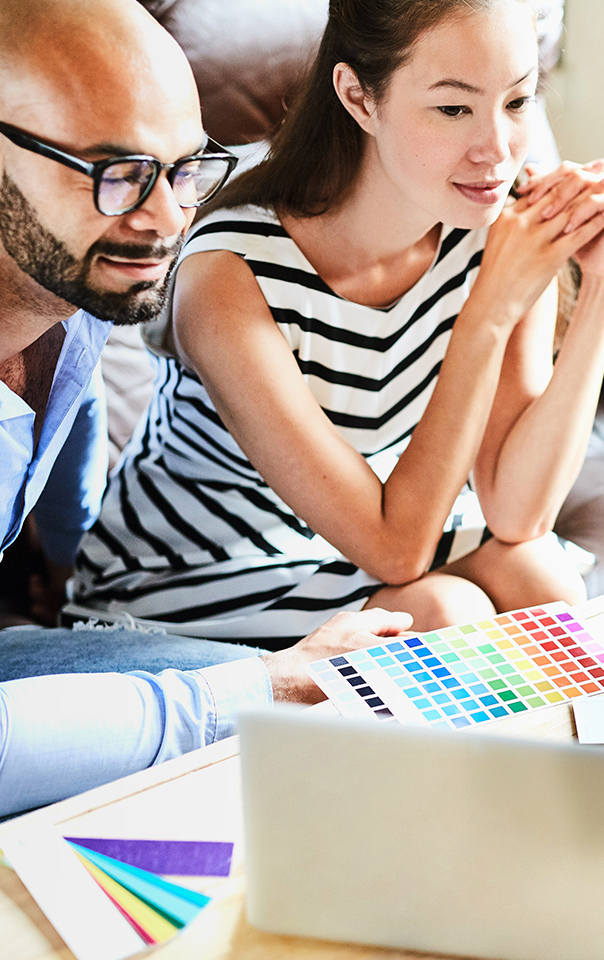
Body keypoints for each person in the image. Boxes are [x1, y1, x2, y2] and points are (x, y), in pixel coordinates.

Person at [71, 0, 604, 647]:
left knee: (546, 581)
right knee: (445, 617)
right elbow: (397, 554)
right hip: (192, 569)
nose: (499, 150)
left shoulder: (493, 227)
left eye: (516, 102)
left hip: (355, 536)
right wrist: (488, 314)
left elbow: (519, 511)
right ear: (359, 97)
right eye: (454, 109)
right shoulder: (230, 273)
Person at [0, 0, 421, 818]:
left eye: (185, 169)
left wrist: (63, 544)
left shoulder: (77, 285)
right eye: (115, 172)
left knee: (348, 713)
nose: (167, 220)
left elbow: (67, 417)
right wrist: (253, 689)